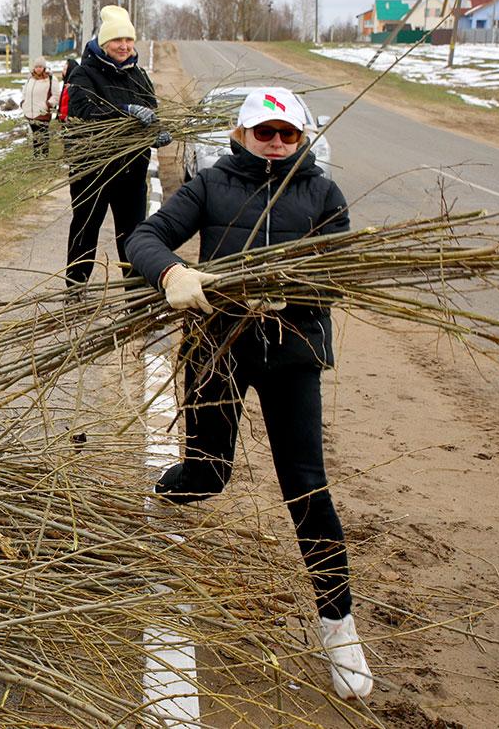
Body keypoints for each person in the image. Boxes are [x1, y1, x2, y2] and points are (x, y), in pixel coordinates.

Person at [125, 87, 372, 701]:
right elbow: (144, 238)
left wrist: (295, 291)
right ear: (241, 134)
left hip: (291, 352)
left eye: (288, 134)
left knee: (307, 488)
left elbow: (339, 272)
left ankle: (339, 626)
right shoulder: (211, 183)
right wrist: (172, 272)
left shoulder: (322, 193)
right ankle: (165, 494)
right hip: (217, 346)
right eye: (265, 132)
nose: (277, 143)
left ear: (302, 138)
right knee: (207, 473)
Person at [63, 6, 169, 287]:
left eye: (128, 39)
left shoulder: (139, 75)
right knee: (85, 231)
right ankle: (76, 289)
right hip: (92, 169)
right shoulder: (83, 74)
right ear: (104, 43)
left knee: (133, 235)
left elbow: (151, 113)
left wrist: (156, 134)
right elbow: (84, 112)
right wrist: (126, 110)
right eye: (117, 40)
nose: (124, 46)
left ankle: (135, 295)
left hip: (132, 169)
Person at [20, 56, 59, 159]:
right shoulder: (30, 78)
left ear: (44, 67)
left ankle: (44, 156)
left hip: (42, 113)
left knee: (43, 135)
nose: (38, 69)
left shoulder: (51, 79)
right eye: (36, 67)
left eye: (40, 67)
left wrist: (47, 105)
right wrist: (23, 103)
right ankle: (36, 156)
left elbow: (56, 96)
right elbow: (24, 92)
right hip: (30, 112)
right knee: (35, 136)